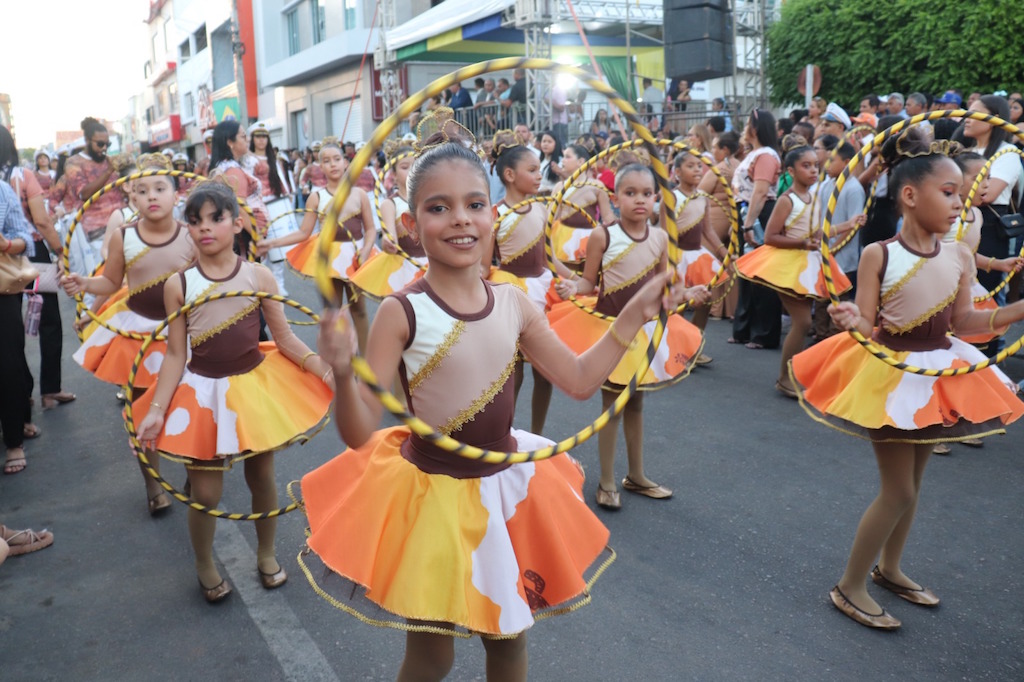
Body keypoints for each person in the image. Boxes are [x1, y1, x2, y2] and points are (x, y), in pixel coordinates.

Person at [302, 132, 694, 680]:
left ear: (492, 214)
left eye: (474, 204)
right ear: (411, 224)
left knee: (508, 642)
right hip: (433, 496)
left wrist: (634, 315)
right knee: (432, 654)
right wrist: (344, 373)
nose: (461, 219)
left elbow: (580, 380)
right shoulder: (401, 311)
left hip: (502, 490)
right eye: (439, 208)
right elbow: (358, 429)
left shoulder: (513, 302)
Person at [790, 129, 1024, 630]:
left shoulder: (959, 255)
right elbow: (867, 322)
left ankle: (890, 568)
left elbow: (966, 322)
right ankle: (850, 585)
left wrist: (1017, 310)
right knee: (897, 491)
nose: (959, 203)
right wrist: (851, 320)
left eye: (962, 193)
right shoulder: (879, 254)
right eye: (949, 192)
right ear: (911, 196)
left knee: (913, 486)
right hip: (893, 377)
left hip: (935, 373)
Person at [134, 180, 333, 602]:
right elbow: (175, 354)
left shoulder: (258, 275)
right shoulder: (179, 285)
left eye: (216, 218)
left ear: (237, 223)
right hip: (203, 393)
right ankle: (204, 563)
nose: (204, 227)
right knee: (205, 493)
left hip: (252, 388)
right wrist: (156, 408)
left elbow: (285, 339)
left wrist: (325, 369)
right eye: (194, 221)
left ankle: (266, 553)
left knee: (261, 476)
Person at [549, 161, 708, 510]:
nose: (640, 200)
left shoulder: (661, 238)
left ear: (655, 199)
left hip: (645, 332)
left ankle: (636, 475)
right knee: (612, 406)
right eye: (630, 192)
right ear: (615, 197)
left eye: (647, 193)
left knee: (636, 403)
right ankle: (606, 480)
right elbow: (588, 283)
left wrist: (688, 293)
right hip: (610, 330)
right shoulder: (603, 236)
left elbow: (666, 287)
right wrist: (572, 287)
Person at [62, 153, 194, 513]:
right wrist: (83, 283)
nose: (151, 196)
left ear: (176, 194)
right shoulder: (124, 236)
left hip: (183, 332)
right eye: (142, 190)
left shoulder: (191, 235)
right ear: (131, 196)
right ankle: (153, 486)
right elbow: (111, 281)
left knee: (189, 403)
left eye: (160, 188)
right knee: (142, 409)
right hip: (139, 335)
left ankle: (194, 469)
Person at [736, 145, 852, 397]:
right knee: (803, 321)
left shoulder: (814, 197)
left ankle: (791, 375)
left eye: (815, 165)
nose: (813, 171)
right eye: (805, 166)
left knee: (803, 322)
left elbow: (818, 233)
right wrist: (801, 243)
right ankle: (784, 377)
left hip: (808, 265)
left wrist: (847, 225)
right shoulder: (787, 200)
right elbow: (770, 237)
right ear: (790, 171)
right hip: (789, 265)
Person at [487, 130, 577, 435]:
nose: (540, 175)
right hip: (511, 293)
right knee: (513, 373)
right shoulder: (495, 214)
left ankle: (537, 436)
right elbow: (484, 266)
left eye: (540, 169)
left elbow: (549, 257)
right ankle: (506, 434)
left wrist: (576, 280)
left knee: (545, 372)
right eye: (533, 170)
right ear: (510, 175)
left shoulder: (541, 208)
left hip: (543, 290)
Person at [259, 138, 375, 352]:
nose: (333, 164)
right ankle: (340, 359)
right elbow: (303, 233)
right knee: (333, 312)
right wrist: (272, 242)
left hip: (355, 256)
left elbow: (370, 229)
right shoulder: (316, 197)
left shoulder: (359, 194)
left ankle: (367, 358)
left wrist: (366, 250)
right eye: (327, 161)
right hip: (328, 259)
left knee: (359, 310)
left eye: (337, 159)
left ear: (345, 162)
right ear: (320, 166)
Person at [1, 127, 72, 411]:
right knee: (49, 320)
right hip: (31, 255)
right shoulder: (22, 176)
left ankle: (23, 395)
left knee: (10, 331)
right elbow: (41, 221)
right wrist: (60, 251)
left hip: (4, 262)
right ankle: (50, 390)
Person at [961, 95, 1023, 306]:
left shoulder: (1007, 152)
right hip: (961, 225)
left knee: (986, 299)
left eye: (974, 114)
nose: (967, 119)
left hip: (989, 231)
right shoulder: (968, 151)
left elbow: (986, 196)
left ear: (993, 119)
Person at [729, 109, 783, 349]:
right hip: (747, 212)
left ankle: (764, 333)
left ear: (756, 128)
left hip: (759, 214)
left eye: (747, 124)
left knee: (761, 274)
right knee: (746, 272)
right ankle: (743, 330)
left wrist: (749, 223)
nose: (744, 128)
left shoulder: (766, 155)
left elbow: (760, 192)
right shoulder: (754, 154)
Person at [669, 152, 728, 364]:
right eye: (690, 166)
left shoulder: (702, 197)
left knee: (705, 301)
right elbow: (665, 233)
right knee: (676, 305)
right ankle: (675, 350)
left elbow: (708, 230)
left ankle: (694, 346)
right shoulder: (672, 197)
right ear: (677, 172)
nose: (697, 169)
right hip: (676, 256)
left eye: (699, 166)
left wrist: (724, 252)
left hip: (697, 255)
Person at [349, 145, 427, 299]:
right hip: (406, 269)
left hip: (434, 265)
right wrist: (387, 242)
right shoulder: (391, 204)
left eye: (416, 165)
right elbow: (390, 236)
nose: (412, 170)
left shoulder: (432, 200)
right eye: (405, 167)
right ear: (394, 174)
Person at [0, 179, 37, 475]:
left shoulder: (2, 189)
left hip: (2, 290)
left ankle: (14, 440)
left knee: (8, 363)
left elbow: (25, 238)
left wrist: (7, 245)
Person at [60, 117, 123, 276]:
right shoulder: (74, 163)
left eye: (107, 144)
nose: (104, 148)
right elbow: (84, 193)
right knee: (104, 277)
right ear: (87, 141)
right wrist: (108, 172)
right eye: (100, 144)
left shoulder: (108, 161)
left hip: (122, 226)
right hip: (97, 234)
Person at [697, 131, 742, 319]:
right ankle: (731, 310)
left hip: (715, 219)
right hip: (734, 219)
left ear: (725, 150)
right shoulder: (740, 166)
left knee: (711, 262)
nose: (713, 150)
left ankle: (714, 309)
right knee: (730, 263)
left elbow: (700, 192)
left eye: (715, 147)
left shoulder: (720, 169)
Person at [247, 121, 292, 295]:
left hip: (275, 204)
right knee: (261, 245)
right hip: (257, 207)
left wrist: (287, 195)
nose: (261, 140)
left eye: (264, 136)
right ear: (252, 139)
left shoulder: (273, 158)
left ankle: (279, 283)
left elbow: (280, 179)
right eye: (258, 137)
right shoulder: (248, 159)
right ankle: (261, 284)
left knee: (277, 247)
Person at [548, 143, 614, 264]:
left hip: (589, 237)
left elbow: (607, 215)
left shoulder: (597, 186)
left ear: (580, 161)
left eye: (568, 157)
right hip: (563, 237)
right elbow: (550, 217)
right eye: (563, 156)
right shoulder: (559, 187)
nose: (563, 160)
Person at [536, 130, 564, 194]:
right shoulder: (538, 160)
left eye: (549, 142)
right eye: (544, 141)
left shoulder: (561, 161)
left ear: (556, 144)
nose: (546, 144)